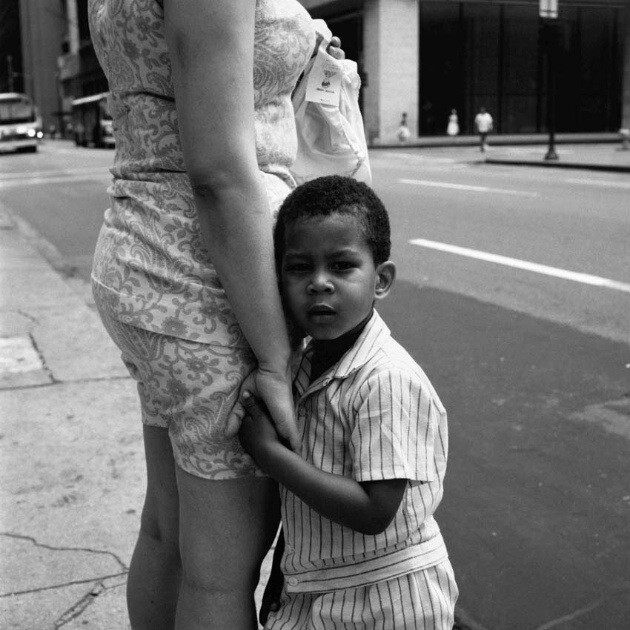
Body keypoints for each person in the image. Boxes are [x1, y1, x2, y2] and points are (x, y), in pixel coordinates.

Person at [88, 2, 344, 629]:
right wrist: (277, 359)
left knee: (170, 532)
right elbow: (221, 174)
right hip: (208, 277)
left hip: (152, 255)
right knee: (222, 572)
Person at [239, 175, 458, 629]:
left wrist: (268, 453)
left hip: (389, 598)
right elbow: (301, 508)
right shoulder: (299, 367)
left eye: (341, 266)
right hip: (314, 589)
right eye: (299, 268)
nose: (319, 284)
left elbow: (374, 511)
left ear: (381, 280)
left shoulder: (385, 379)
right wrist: (283, 579)